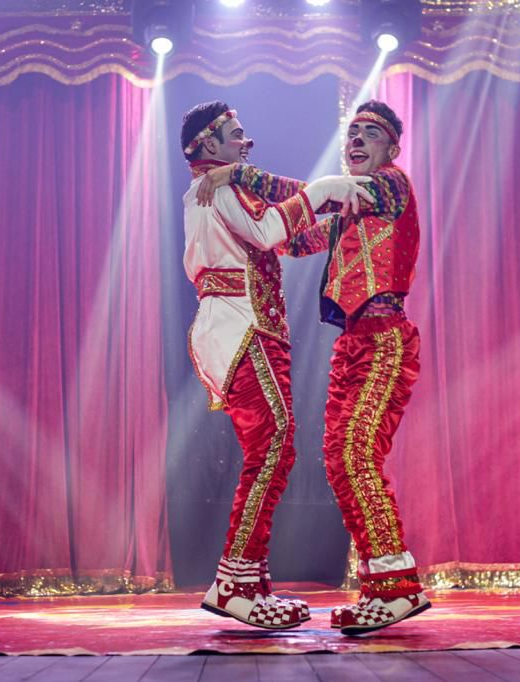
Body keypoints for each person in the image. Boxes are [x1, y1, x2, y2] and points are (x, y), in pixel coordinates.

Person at [198, 100, 431, 635]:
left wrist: (241, 173)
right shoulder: (349, 212)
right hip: (352, 344)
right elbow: (294, 237)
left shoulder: (392, 186)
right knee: (340, 462)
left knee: (354, 456)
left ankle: (397, 588)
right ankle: (384, 587)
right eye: (351, 132)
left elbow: (316, 193)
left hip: (384, 339)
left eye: (369, 134)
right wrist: (244, 229)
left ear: (391, 150)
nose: (356, 140)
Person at [180, 101, 373, 629]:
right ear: (206, 144)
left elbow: (289, 238)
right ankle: (235, 581)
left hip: (252, 326)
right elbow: (269, 232)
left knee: (275, 449)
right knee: (272, 445)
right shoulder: (215, 188)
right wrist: (329, 188)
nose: (247, 141)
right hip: (239, 325)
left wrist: (337, 219)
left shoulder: (228, 186)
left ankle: (249, 581)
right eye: (237, 134)